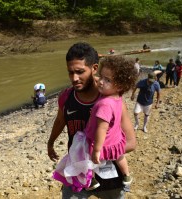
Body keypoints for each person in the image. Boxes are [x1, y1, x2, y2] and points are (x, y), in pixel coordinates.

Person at [47, 42, 136, 199]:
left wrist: (97, 154)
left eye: (80, 72)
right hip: (77, 173)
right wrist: (51, 142)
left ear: (94, 68)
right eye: (70, 73)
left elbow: (131, 142)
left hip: (110, 175)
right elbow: (60, 121)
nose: (74, 78)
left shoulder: (112, 99)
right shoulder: (66, 98)